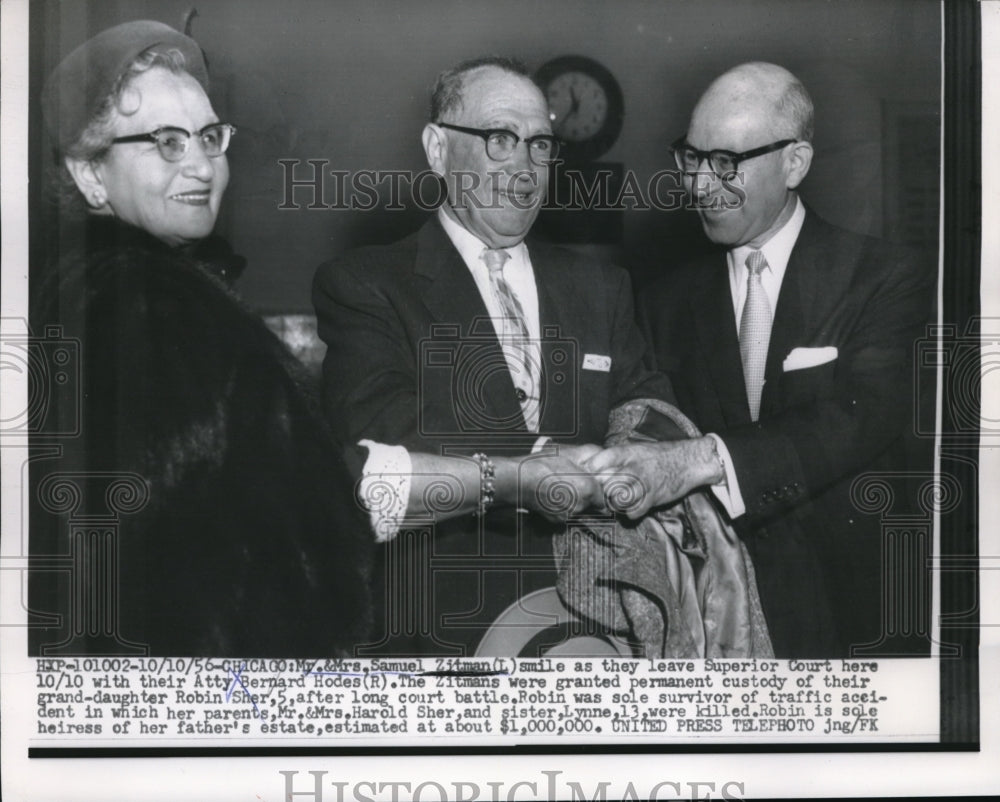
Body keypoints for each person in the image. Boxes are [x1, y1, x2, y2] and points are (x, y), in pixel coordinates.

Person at [30, 20, 371, 657]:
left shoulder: (96, 286)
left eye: (209, 137)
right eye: (164, 141)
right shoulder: (145, 303)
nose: (201, 165)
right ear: (90, 175)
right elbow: (183, 572)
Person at [313, 57, 675, 656]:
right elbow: (382, 441)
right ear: (437, 148)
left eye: (540, 145)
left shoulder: (602, 287)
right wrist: (546, 466)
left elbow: (650, 407)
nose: (526, 167)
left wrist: (633, 461)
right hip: (439, 631)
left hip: (596, 634)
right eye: (500, 139)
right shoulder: (366, 283)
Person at [591, 62, 936, 657]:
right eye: (691, 158)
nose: (700, 185)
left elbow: (864, 417)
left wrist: (700, 460)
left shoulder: (883, 278)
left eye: (726, 163)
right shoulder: (662, 302)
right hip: (720, 626)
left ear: (794, 163)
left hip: (858, 617)